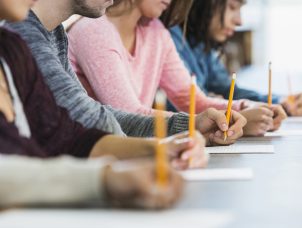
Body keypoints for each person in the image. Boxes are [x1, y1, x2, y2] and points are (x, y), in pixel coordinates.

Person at [0, 0, 183, 209]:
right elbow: (91, 123)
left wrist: (163, 149)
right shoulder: (25, 34)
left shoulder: (13, 47)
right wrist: (104, 179)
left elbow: (68, 137)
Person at [7, 0, 247, 146]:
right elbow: (92, 121)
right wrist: (172, 140)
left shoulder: (53, 33)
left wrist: (191, 125)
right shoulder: (23, 35)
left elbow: (98, 116)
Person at [67, 0, 285, 136]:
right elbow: (129, 115)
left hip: (138, 151)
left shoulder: (156, 31)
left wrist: (248, 108)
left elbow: (191, 99)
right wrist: (227, 122)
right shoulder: (93, 30)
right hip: (103, 154)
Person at [167, 0, 302, 117]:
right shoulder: (169, 37)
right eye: (232, 7)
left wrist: (280, 102)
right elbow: (184, 105)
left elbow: (230, 91)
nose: (239, 21)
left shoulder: (201, 45)